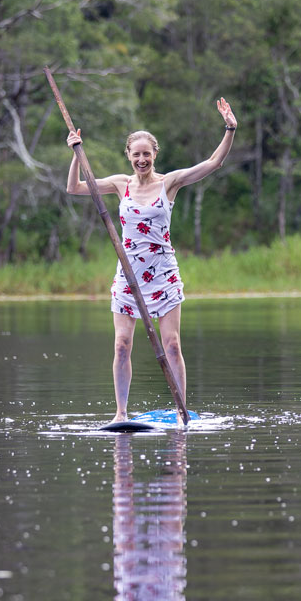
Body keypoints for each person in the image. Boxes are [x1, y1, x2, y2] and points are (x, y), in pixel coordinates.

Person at [66, 98, 237, 423]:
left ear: (154, 155)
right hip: (128, 276)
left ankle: (180, 410)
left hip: (163, 275)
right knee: (121, 345)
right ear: (129, 156)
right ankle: (120, 413)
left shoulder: (168, 183)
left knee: (171, 345)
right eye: (136, 154)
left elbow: (213, 163)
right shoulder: (120, 184)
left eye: (147, 154)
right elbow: (74, 187)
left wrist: (230, 128)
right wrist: (76, 152)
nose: (141, 159)